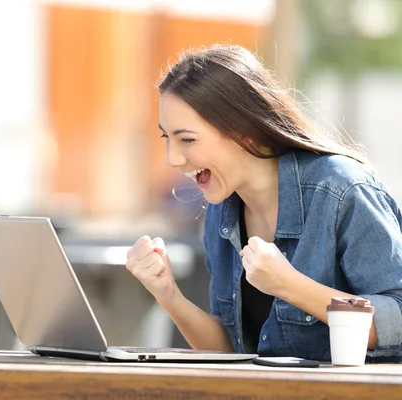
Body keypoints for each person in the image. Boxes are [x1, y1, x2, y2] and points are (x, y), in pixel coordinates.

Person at [125, 44, 402, 361]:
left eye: (187, 139)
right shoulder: (222, 208)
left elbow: (398, 318)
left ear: (246, 132)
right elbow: (231, 352)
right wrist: (169, 295)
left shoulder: (342, 190)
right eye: (167, 138)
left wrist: (289, 285)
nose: (173, 158)